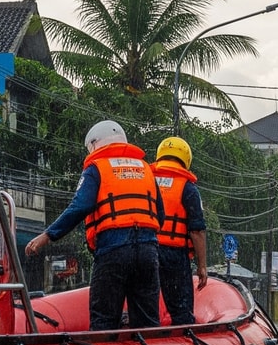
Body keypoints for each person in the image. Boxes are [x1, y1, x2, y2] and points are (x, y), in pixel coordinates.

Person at [25, 120, 164, 331]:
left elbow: (80, 206)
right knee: (147, 323)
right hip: (148, 251)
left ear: (94, 144)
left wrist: (47, 235)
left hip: (113, 250)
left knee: (104, 321)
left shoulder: (96, 168)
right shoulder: (145, 169)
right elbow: (159, 215)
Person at [149, 135, 211, 324]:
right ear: (186, 159)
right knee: (181, 311)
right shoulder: (188, 188)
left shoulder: (146, 179)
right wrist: (202, 266)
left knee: (145, 308)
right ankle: (185, 344)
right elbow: (197, 231)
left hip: (145, 249)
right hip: (174, 256)